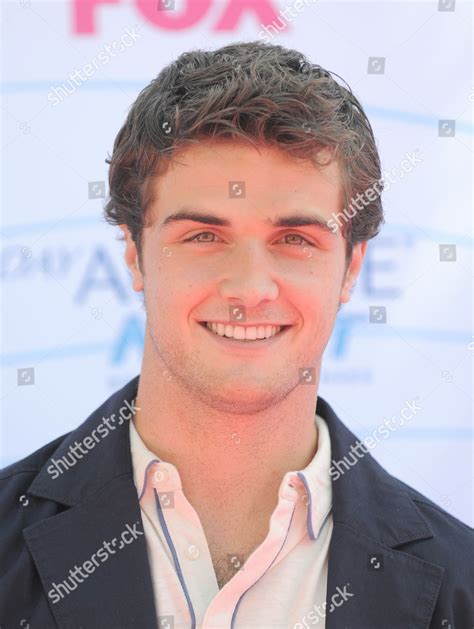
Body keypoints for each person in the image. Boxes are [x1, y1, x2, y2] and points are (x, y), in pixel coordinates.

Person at [1, 41, 472, 629]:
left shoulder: (462, 583)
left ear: (352, 267)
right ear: (134, 254)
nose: (251, 289)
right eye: (203, 236)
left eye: (295, 239)